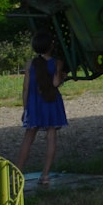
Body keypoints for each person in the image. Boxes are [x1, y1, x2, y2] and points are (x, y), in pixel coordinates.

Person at [16, 32, 69, 186]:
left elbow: (25, 88)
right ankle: (45, 175)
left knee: (28, 138)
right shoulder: (57, 62)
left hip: (34, 104)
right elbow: (55, 83)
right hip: (51, 103)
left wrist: (26, 108)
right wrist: (62, 76)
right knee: (51, 137)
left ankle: (16, 173)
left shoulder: (30, 64)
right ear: (51, 46)